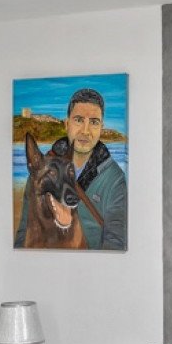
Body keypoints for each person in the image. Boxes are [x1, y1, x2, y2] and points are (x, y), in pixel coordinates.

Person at [16, 87, 128, 250]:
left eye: (94, 122)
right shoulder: (40, 170)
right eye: (79, 120)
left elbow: (116, 242)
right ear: (67, 123)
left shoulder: (114, 179)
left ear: (101, 128)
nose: (85, 131)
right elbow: (23, 233)